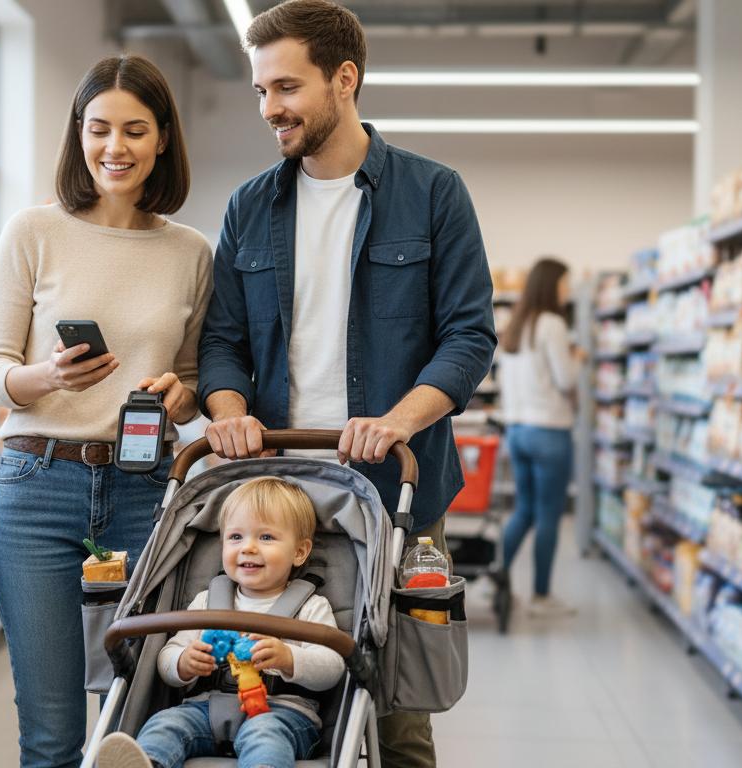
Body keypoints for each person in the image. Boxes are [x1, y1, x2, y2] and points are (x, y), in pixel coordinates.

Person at [195, 2, 496, 765]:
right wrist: (227, 411)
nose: (271, 109)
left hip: (398, 494)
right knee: (255, 686)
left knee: (397, 710)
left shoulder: (432, 194)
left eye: (286, 88)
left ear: (345, 79)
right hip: (276, 493)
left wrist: (398, 419)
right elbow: (223, 342)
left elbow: (469, 336)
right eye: (261, 92)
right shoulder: (249, 208)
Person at [0, 54, 213, 768]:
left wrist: (182, 396)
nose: (115, 147)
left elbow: (194, 379)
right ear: (78, 134)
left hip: (145, 493)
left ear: (163, 138)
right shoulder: (32, 232)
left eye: (135, 130)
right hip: (37, 490)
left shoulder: (190, 252)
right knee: (51, 734)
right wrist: (43, 375)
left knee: (140, 718)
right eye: (99, 128)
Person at [95, 477, 344, 768]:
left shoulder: (311, 606)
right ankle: (150, 762)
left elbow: (334, 666)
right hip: (204, 709)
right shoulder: (207, 601)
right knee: (165, 723)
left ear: (300, 552)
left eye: (266, 538)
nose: (248, 548)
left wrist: (289, 658)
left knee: (265, 736)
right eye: (236, 537)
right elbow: (167, 656)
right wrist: (183, 662)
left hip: (282, 713)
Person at [495, 257, 582, 617]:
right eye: (564, 284)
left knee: (524, 510)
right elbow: (566, 379)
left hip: (517, 431)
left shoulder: (517, 323)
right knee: (548, 515)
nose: (568, 291)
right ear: (551, 286)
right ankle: (541, 596)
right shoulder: (552, 324)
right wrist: (578, 357)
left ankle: (497, 577)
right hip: (549, 431)